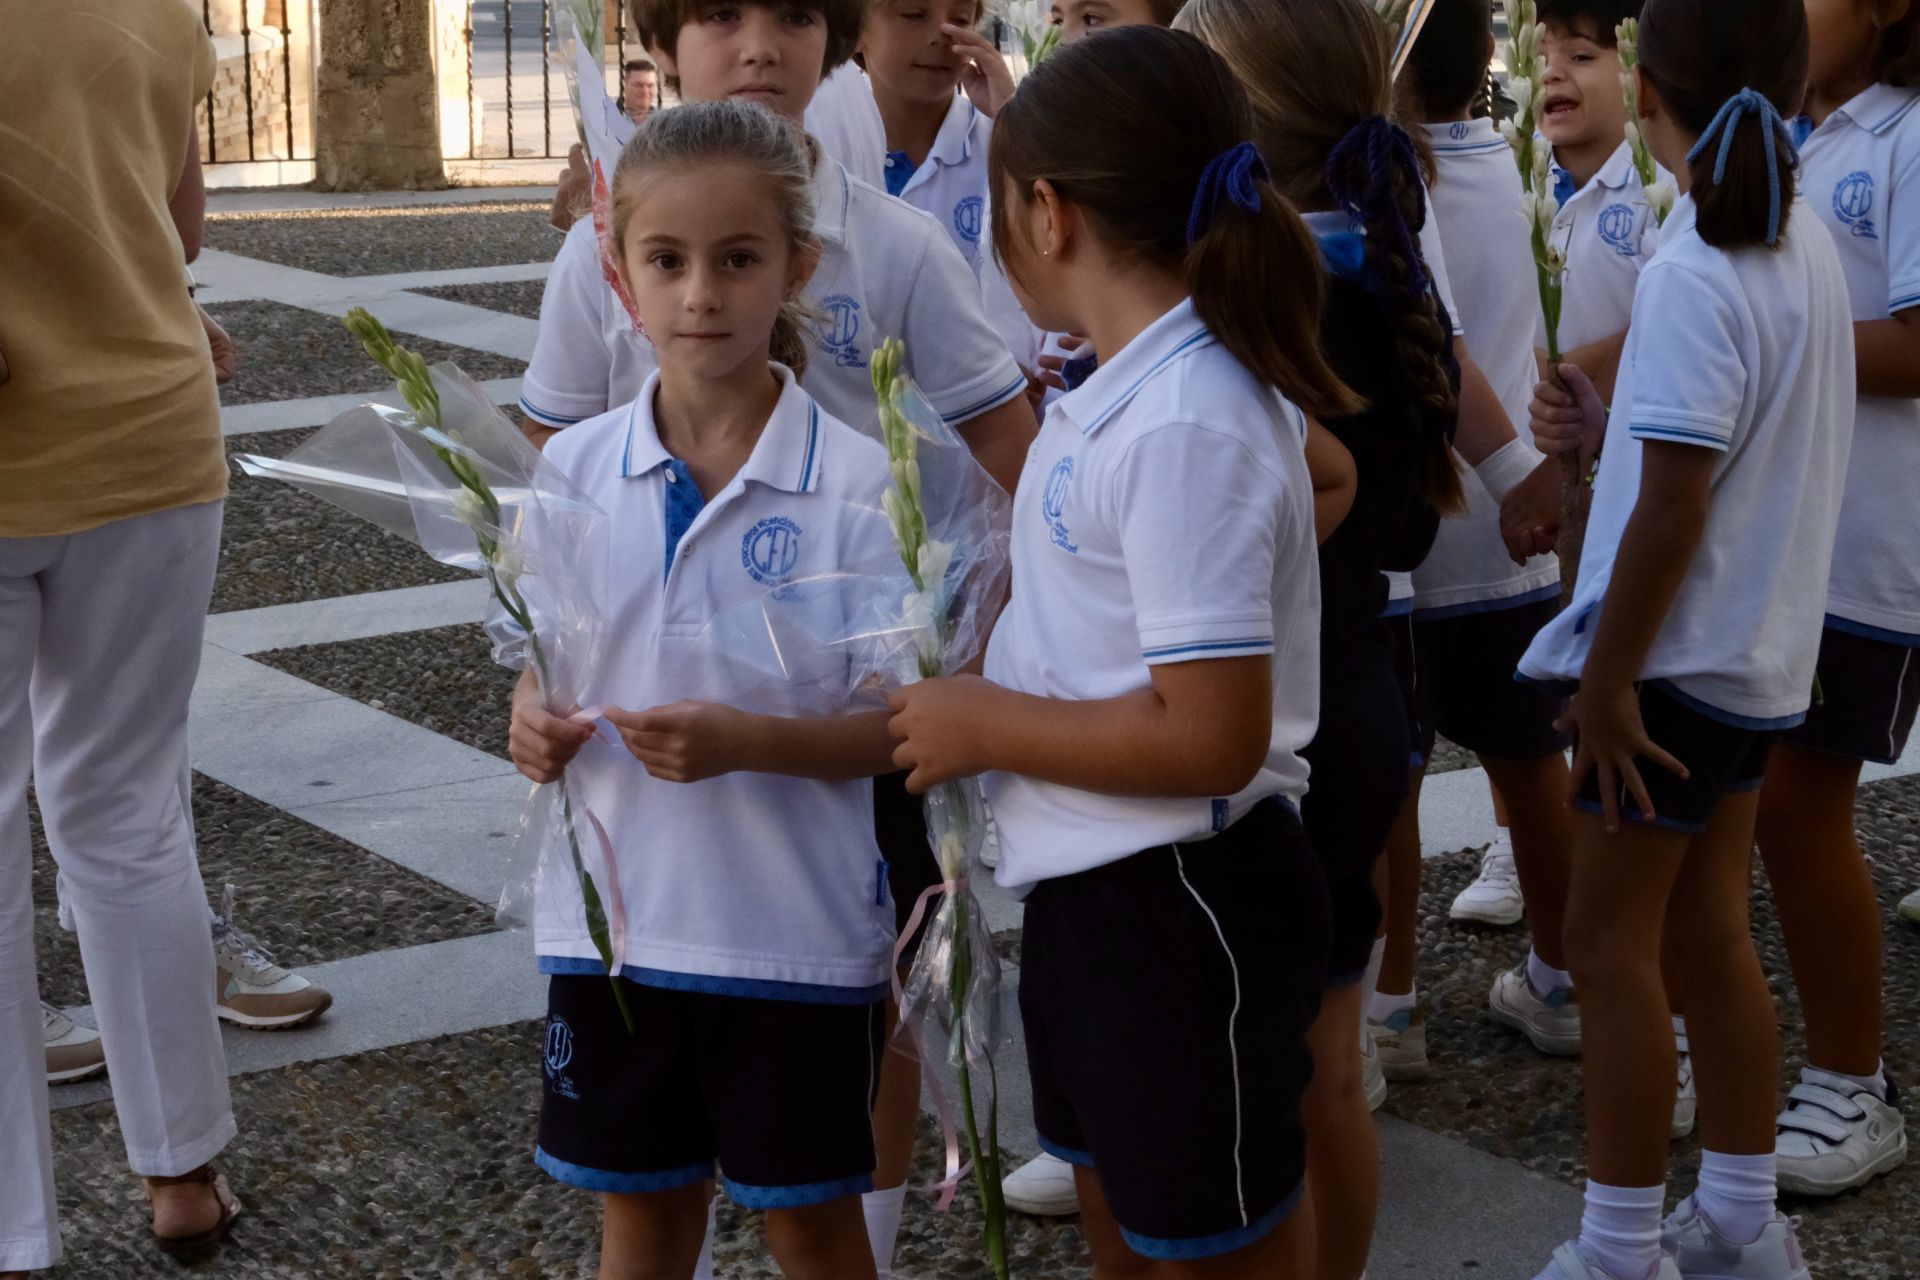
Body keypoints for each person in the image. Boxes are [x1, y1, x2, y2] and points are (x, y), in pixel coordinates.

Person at [889, 24, 1357, 1276]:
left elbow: (1212, 733)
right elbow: (1327, 477)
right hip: (1102, 902)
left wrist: (986, 719)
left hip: (1183, 906)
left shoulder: (1184, 417)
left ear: (1044, 214)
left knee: (1216, 1239)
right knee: (1138, 1227)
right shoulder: (1146, 383)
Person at [508, 99, 904, 1280]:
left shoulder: (860, 482)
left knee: (812, 1223)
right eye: (666, 261)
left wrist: (753, 741)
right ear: (617, 276)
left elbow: (900, 727)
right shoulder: (573, 470)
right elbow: (547, 652)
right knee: (641, 1215)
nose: (702, 294)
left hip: (794, 933)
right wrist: (530, 718)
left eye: (738, 260)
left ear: (799, 265)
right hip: (615, 937)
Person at [1517, 1, 1852, 1275]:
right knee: (1712, 930)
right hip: (1759, 659)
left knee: (1609, 949)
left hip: (1666, 671)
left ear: (1648, 88)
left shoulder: (1694, 269)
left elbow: (1672, 506)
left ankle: (1616, 1249)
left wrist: (1606, 685)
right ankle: (1741, 1224)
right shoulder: (1802, 245)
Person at [1, 3, 250, 1271]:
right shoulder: (156, 9)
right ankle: (181, 1173)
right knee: (125, 808)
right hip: (152, 440)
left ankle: (13, 1225)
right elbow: (178, 223)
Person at [1370, 0, 1573, 1096]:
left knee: (1394, 783)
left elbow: (1439, 355)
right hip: (1507, 538)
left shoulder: (1388, 176)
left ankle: (1392, 1003)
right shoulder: (1510, 163)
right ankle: (1563, 971)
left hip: (1415, 525)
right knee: (1532, 764)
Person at [1757, 0, 1920, 1199]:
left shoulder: (1909, 136)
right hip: (1792, 543)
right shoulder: (1793, 140)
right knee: (1771, 809)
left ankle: (1856, 1080)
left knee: (1798, 812)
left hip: (1874, 551)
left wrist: (1767, 339)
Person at [861, 0, 995, 273]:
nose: (941, 35)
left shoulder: (1002, 146)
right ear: (855, 31)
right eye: (913, 15)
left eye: (960, 20)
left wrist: (1013, 117)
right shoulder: (820, 144)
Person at [623, 57, 661, 121]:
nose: (645, 91)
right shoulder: (607, 118)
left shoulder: (665, 121)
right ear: (624, 85)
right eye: (638, 85)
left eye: (650, 85)